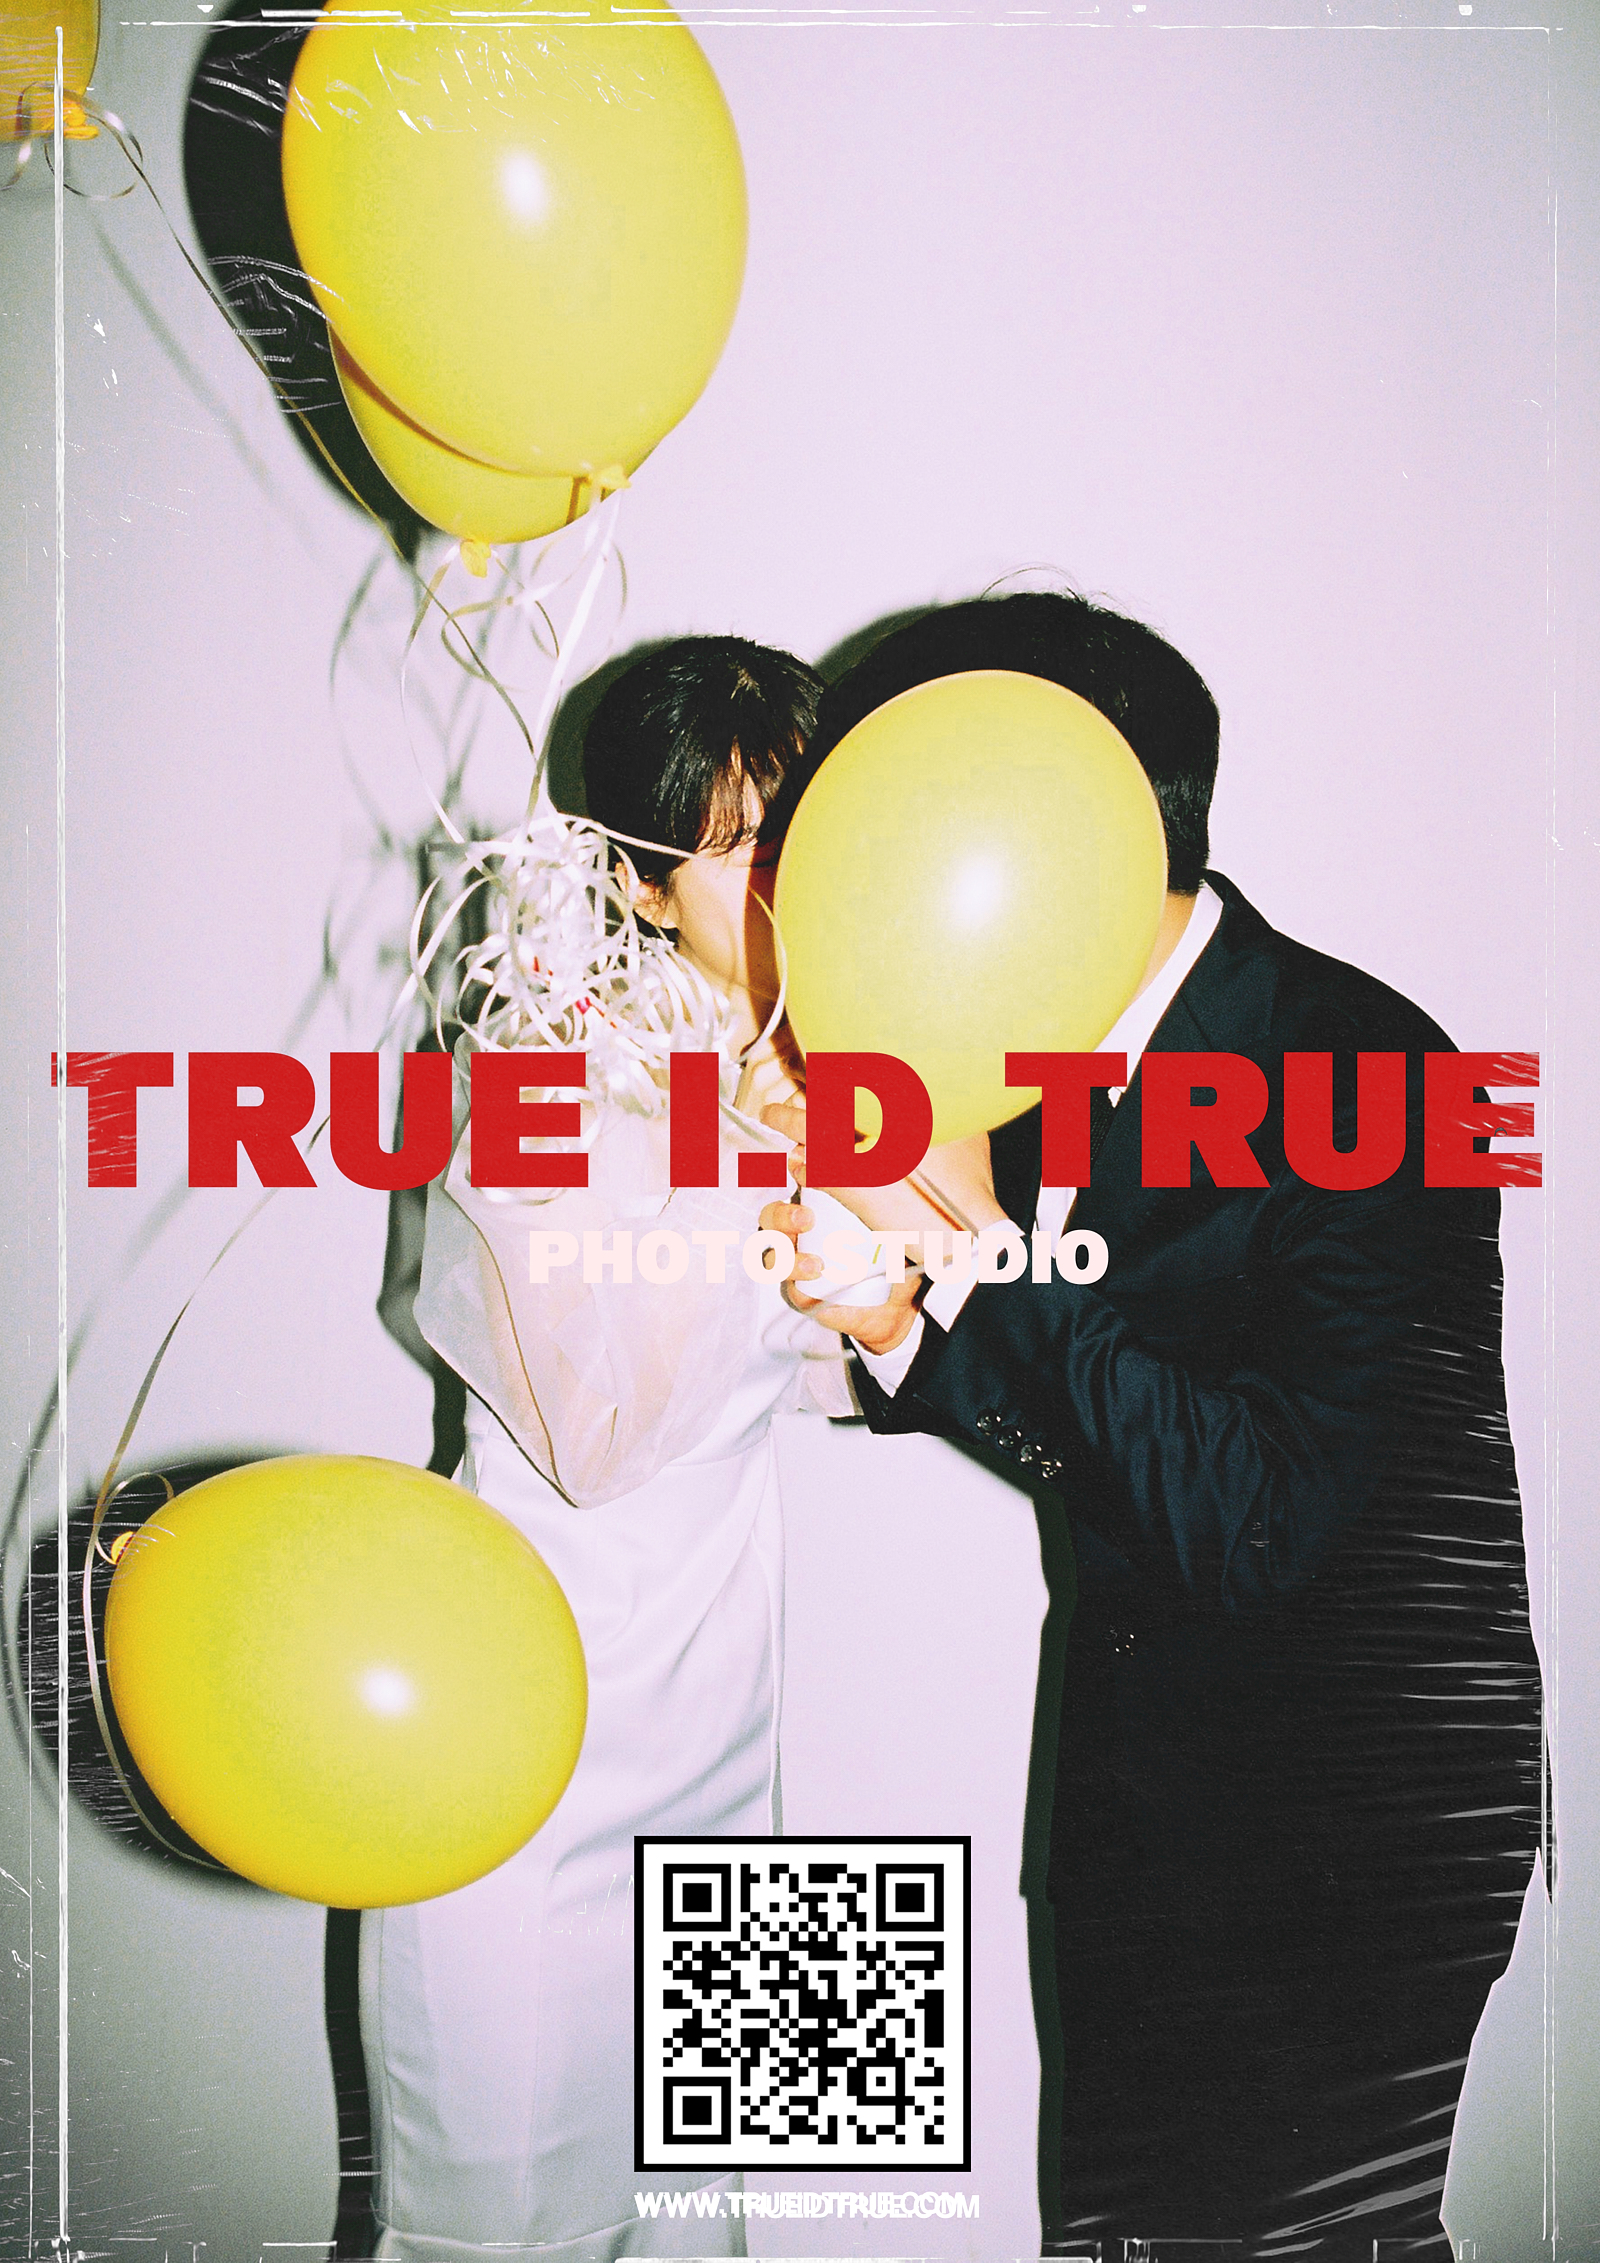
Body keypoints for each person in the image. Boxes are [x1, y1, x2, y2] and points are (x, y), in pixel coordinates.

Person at [760, 591, 1547, 2261]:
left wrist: (972, 1254)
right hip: (1149, 1795)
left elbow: (1262, 1518)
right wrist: (903, 1326)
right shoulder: (1030, 1045)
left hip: (1343, 1824)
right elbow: (1106, 1417)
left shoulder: (1369, 1068)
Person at [360, 637, 847, 2263]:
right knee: (499, 2215)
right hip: (524, 1722)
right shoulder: (544, 1066)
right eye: (737, 848)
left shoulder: (842, 1063)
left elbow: (852, 1375)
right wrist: (764, 1158)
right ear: (640, 884)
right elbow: (595, 1429)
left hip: (724, 1709)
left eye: (808, 834)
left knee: (709, 2215)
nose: (787, 884)